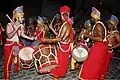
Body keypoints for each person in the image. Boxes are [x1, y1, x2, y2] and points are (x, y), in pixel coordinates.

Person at [41, 5, 73, 80]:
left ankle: (56, 78)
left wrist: (47, 40)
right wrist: (52, 28)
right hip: (63, 47)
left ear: (62, 16)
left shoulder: (66, 25)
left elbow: (59, 38)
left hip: (63, 48)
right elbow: (60, 36)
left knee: (59, 65)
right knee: (59, 64)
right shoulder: (66, 24)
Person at [4, 6, 34, 79]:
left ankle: (16, 70)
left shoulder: (21, 25)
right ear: (16, 17)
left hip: (16, 44)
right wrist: (15, 29)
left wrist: (30, 38)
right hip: (9, 45)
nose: (22, 19)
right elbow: (9, 36)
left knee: (16, 58)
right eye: (21, 17)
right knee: (8, 62)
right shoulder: (9, 25)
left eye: (22, 17)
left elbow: (22, 35)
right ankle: (6, 77)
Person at [79, 7, 108, 79]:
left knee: (91, 64)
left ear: (94, 17)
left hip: (99, 47)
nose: (90, 19)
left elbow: (101, 38)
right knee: (95, 65)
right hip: (98, 46)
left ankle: (89, 77)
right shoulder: (98, 24)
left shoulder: (98, 25)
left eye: (91, 18)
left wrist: (87, 35)